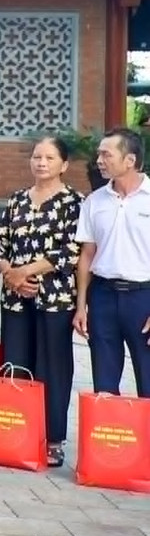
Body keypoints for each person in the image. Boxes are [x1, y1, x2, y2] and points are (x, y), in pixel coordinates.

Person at [0, 135, 81, 467]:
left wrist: (25, 271)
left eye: (49, 158)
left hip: (54, 299)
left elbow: (72, 250)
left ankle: (53, 439)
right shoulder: (17, 200)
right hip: (16, 298)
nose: (41, 163)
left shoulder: (74, 202)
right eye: (37, 157)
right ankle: (16, 434)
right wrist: (10, 273)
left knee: (53, 368)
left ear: (64, 164)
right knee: (16, 364)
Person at [74, 126, 150, 398]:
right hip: (103, 296)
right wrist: (81, 305)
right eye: (99, 154)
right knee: (104, 383)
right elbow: (87, 255)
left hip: (143, 297)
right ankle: (109, 426)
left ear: (130, 160)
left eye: (107, 155)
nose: (99, 161)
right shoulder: (94, 201)